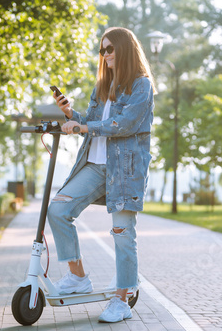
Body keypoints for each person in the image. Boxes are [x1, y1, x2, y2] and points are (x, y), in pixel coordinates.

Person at [47, 27, 156, 323]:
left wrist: (85, 127)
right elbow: (93, 123)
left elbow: (124, 124)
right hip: (94, 166)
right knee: (58, 209)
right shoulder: (102, 85)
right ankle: (78, 277)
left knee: (122, 234)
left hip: (124, 171)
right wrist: (72, 116)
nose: (105, 54)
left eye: (110, 49)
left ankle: (122, 300)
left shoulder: (141, 85)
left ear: (125, 50)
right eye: (102, 50)